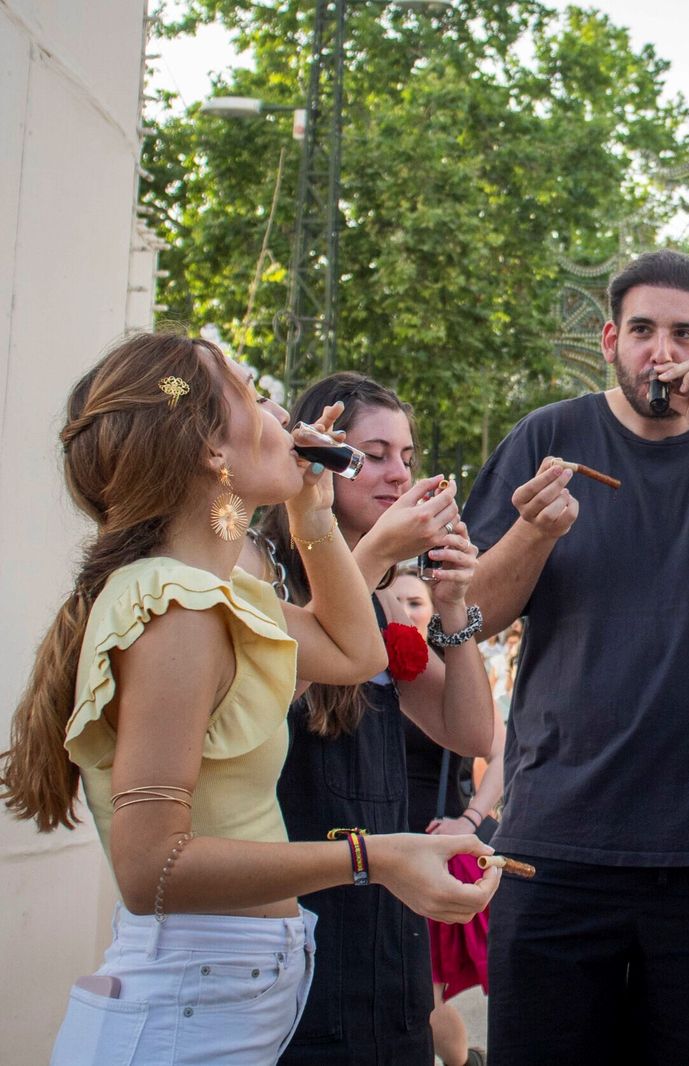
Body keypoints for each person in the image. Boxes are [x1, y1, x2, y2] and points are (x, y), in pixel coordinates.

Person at [0, 332, 497, 1065]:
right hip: (188, 1015)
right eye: (250, 393)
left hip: (224, 1001)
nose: (278, 410)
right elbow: (150, 870)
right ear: (212, 451)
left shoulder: (221, 593)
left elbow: (353, 652)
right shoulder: (178, 611)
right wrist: (374, 856)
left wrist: (317, 519)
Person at [462, 249, 689, 1061]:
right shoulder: (548, 437)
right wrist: (534, 531)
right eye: (641, 330)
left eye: (682, 333)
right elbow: (472, 616)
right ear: (609, 339)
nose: (660, 352)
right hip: (558, 844)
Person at [251, 371, 499, 1065]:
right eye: (376, 454)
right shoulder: (261, 575)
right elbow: (268, 700)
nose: (399, 475)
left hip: (387, 925)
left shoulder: (394, 609)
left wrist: (454, 607)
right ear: (322, 458)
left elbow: (472, 734)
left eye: (408, 458)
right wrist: (377, 554)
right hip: (293, 922)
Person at [394, 566, 499, 1066]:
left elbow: (503, 751)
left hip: (430, 851)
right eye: (396, 603)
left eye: (415, 603)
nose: (405, 612)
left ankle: (464, 1064)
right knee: (406, 996)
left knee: (421, 999)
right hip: (372, 850)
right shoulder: (365, 660)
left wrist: (472, 818)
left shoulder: (443, 672)